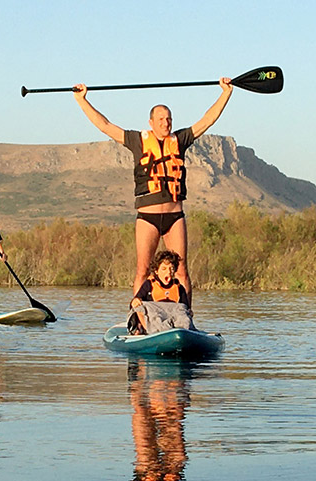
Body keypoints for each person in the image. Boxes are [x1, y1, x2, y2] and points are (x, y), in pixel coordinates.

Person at [73, 75, 235, 297]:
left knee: (182, 272)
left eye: (168, 119)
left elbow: (207, 120)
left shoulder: (181, 139)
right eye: (160, 119)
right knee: (143, 270)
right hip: (147, 218)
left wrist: (225, 93)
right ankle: (138, 316)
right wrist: (82, 100)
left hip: (175, 217)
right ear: (151, 122)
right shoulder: (137, 140)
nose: (165, 123)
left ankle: (186, 316)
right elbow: (105, 126)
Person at [127, 249, 192, 334]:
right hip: (154, 316)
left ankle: (182, 333)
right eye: (164, 269)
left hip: (173, 315)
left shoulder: (179, 288)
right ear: (156, 271)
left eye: (171, 269)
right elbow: (135, 302)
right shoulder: (149, 284)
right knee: (138, 306)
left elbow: (185, 308)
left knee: (185, 313)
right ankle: (144, 329)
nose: (168, 272)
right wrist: (135, 301)